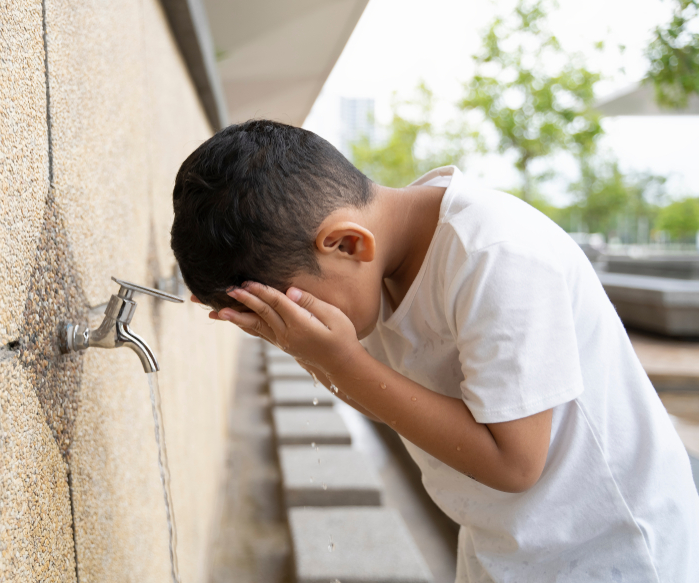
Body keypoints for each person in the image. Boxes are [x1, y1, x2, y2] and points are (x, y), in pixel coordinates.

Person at [170, 119, 699, 582]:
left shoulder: (493, 255)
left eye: (291, 309)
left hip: (610, 549)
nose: (298, 327)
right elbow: (402, 404)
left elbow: (515, 464)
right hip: (506, 542)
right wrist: (320, 351)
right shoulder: (372, 271)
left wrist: (337, 359)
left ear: (348, 243)